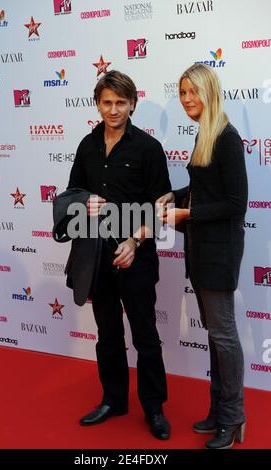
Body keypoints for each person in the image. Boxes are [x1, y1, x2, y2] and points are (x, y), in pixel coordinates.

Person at [67, 70, 171, 440]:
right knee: (107, 333)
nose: (113, 110)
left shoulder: (147, 148)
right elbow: (70, 195)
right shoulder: (86, 145)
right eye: (107, 102)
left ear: (132, 104)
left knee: (145, 334)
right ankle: (113, 400)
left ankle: (154, 408)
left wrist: (133, 242)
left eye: (120, 103)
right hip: (96, 257)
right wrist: (84, 200)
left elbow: (162, 205)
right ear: (98, 103)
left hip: (136, 254)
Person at [158, 63, 248, 449]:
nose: (187, 100)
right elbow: (205, 189)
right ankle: (218, 412)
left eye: (193, 92)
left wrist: (186, 213)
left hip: (219, 253)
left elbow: (235, 203)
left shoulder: (227, 138)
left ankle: (233, 418)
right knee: (215, 336)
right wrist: (174, 197)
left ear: (210, 92)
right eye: (182, 93)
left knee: (224, 336)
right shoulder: (205, 135)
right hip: (200, 249)